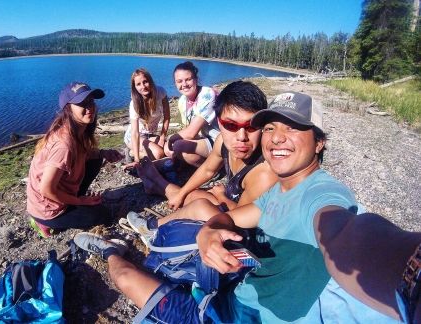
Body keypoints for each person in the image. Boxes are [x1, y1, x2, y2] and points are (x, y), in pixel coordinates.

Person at [73, 91, 421, 323]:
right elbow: (235, 214)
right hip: (234, 284)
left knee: (123, 277)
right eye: (270, 127)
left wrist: (412, 272)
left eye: (294, 128)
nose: (276, 137)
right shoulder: (285, 189)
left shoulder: (323, 194)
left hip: (233, 314)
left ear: (319, 143)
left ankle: (110, 250)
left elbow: (346, 232)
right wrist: (210, 231)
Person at [128, 81, 278, 244]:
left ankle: (152, 228)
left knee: (200, 205)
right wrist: (182, 193)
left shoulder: (263, 172)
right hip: (233, 202)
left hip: (245, 234)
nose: (241, 136)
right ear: (219, 122)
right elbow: (208, 170)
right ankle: (157, 185)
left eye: (251, 126)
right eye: (231, 125)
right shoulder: (223, 142)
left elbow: (243, 219)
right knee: (191, 194)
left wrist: (221, 196)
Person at [26, 82, 123, 237]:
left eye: (91, 101)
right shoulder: (64, 145)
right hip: (47, 208)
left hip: (59, 192)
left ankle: (73, 199)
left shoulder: (78, 130)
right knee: (103, 216)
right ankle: (41, 223)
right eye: (82, 104)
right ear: (68, 109)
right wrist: (81, 202)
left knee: (96, 158)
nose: (90, 107)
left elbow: (86, 153)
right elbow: (46, 189)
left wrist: (104, 153)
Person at [165, 61, 219, 167]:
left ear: (196, 79)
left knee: (178, 146)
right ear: (175, 83)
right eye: (179, 81)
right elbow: (188, 128)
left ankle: (214, 168)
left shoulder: (207, 94)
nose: (184, 84)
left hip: (219, 139)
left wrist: (171, 139)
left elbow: (191, 132)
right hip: (204, 139)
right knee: (171, 148)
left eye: (188, 79)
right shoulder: (182, 101)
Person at [123, 68, 170, 168]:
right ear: (134, 87)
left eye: (145, 82)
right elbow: (135, 133)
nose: (143, 86)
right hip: (134, 137)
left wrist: (162, 137)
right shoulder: (134, 104)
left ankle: (143, 151)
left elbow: (167, 116)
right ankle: (131, 153)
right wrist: (136, 159)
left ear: (150, 81)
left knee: (167, 149)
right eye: (138, 84)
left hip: (149, 134)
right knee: (158, 154)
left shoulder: (160, 92)